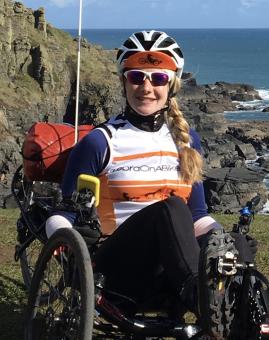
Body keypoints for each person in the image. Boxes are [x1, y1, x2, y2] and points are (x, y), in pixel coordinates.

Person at [44, 30, 255, 325]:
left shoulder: (187, 142)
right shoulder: (100, 142)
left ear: (172, 86)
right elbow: (60, 214)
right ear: (123, 82)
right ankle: (204, 299)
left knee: (236, 244)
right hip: (117, 276)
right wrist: (69, 243)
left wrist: (223, 242)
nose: (146, 87)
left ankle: (245, 309)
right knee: (169, 209)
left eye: (158, 78)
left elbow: (198, 216)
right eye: (136, 77)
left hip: (169, 275)